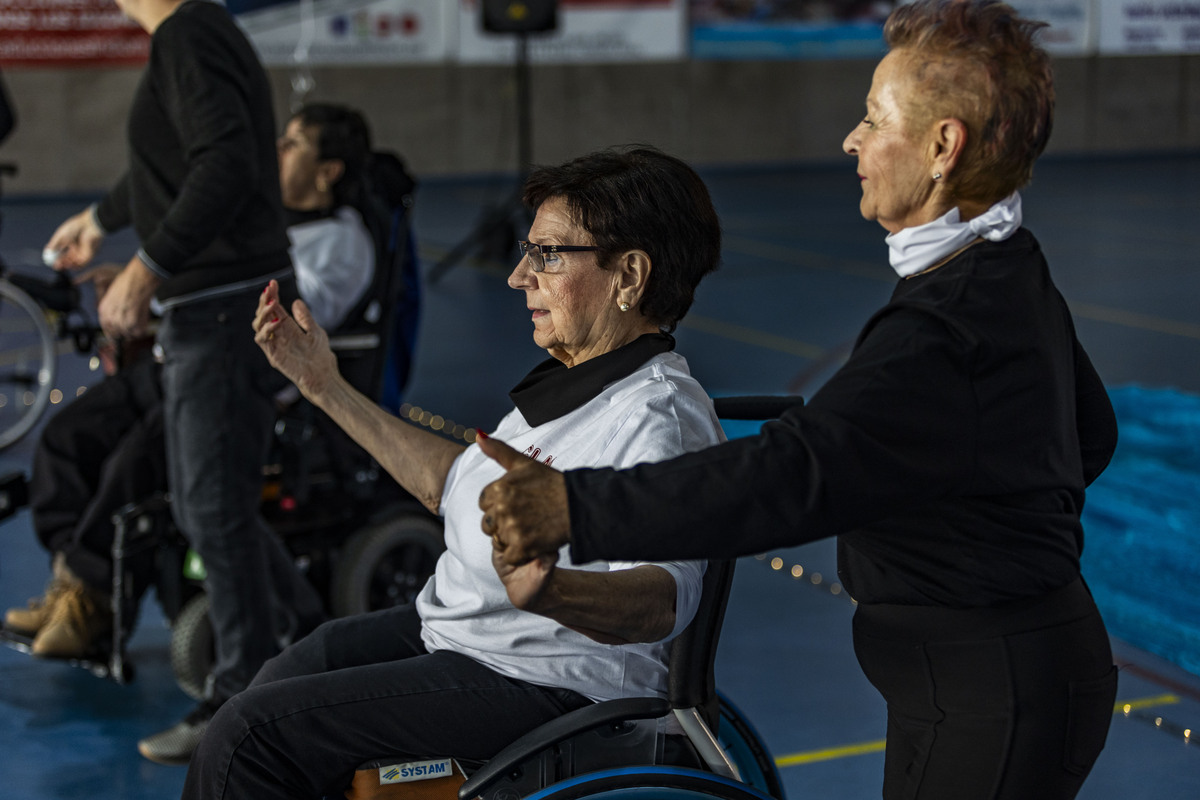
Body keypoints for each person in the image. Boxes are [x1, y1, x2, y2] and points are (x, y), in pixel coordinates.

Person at [479, 3, 1120, 798]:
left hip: (991, 689)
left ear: (942, 147)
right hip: (984, 676)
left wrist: (572, 507)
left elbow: (788, 476)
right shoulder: (1002, 265)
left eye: (874, 119)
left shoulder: (945, 329)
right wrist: (961, 514)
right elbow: (1091, 434)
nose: (852, 139)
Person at [180, 146, 724, 799]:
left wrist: (551, 593)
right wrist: (323, 386)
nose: (519, 275)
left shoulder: (657, 417)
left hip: (550, 683)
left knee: (248, 740)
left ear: (629, 275)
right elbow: (453, 484)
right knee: (284, 675)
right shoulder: (576, 384)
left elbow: (663, 598)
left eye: (548, 254)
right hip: (463, 638)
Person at [40, 0, 326, 765]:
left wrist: (146, 267)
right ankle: (313, 641)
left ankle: (241, 696)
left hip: (225, 309)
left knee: (213, 510)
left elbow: (227, 162)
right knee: (211, 504)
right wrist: (101, 219)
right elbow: (172, 164)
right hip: (210, 306)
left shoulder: (190, 35)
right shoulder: (188, 35)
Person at [4, 103, 378, 663]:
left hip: (236, 381)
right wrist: (141, 288)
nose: (276, 149)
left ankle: (90, 596)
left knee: (133, 462)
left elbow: (289, 317)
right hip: (172, 359)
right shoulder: (258, 217)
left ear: (329, 172)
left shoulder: (342, 244)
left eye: (294, 143)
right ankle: (77, 590)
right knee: (67, 439)